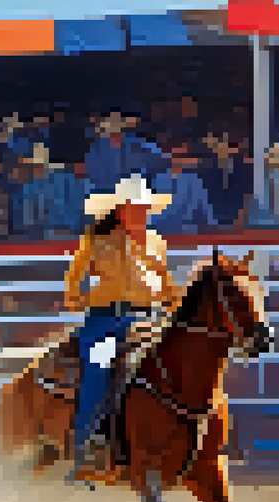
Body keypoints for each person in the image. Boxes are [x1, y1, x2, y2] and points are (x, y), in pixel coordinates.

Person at [63, 173, 178, 483]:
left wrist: (176, 303)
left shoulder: (157, 243)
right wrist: (81, 298)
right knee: (98, 371)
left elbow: (167, 287)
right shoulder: (97, 239)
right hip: (105, 321)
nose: (140, 213)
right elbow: (74, 280)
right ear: (120, 210)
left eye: (143, 208)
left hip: (148, 319)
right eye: (134, 208)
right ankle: (82, 449)